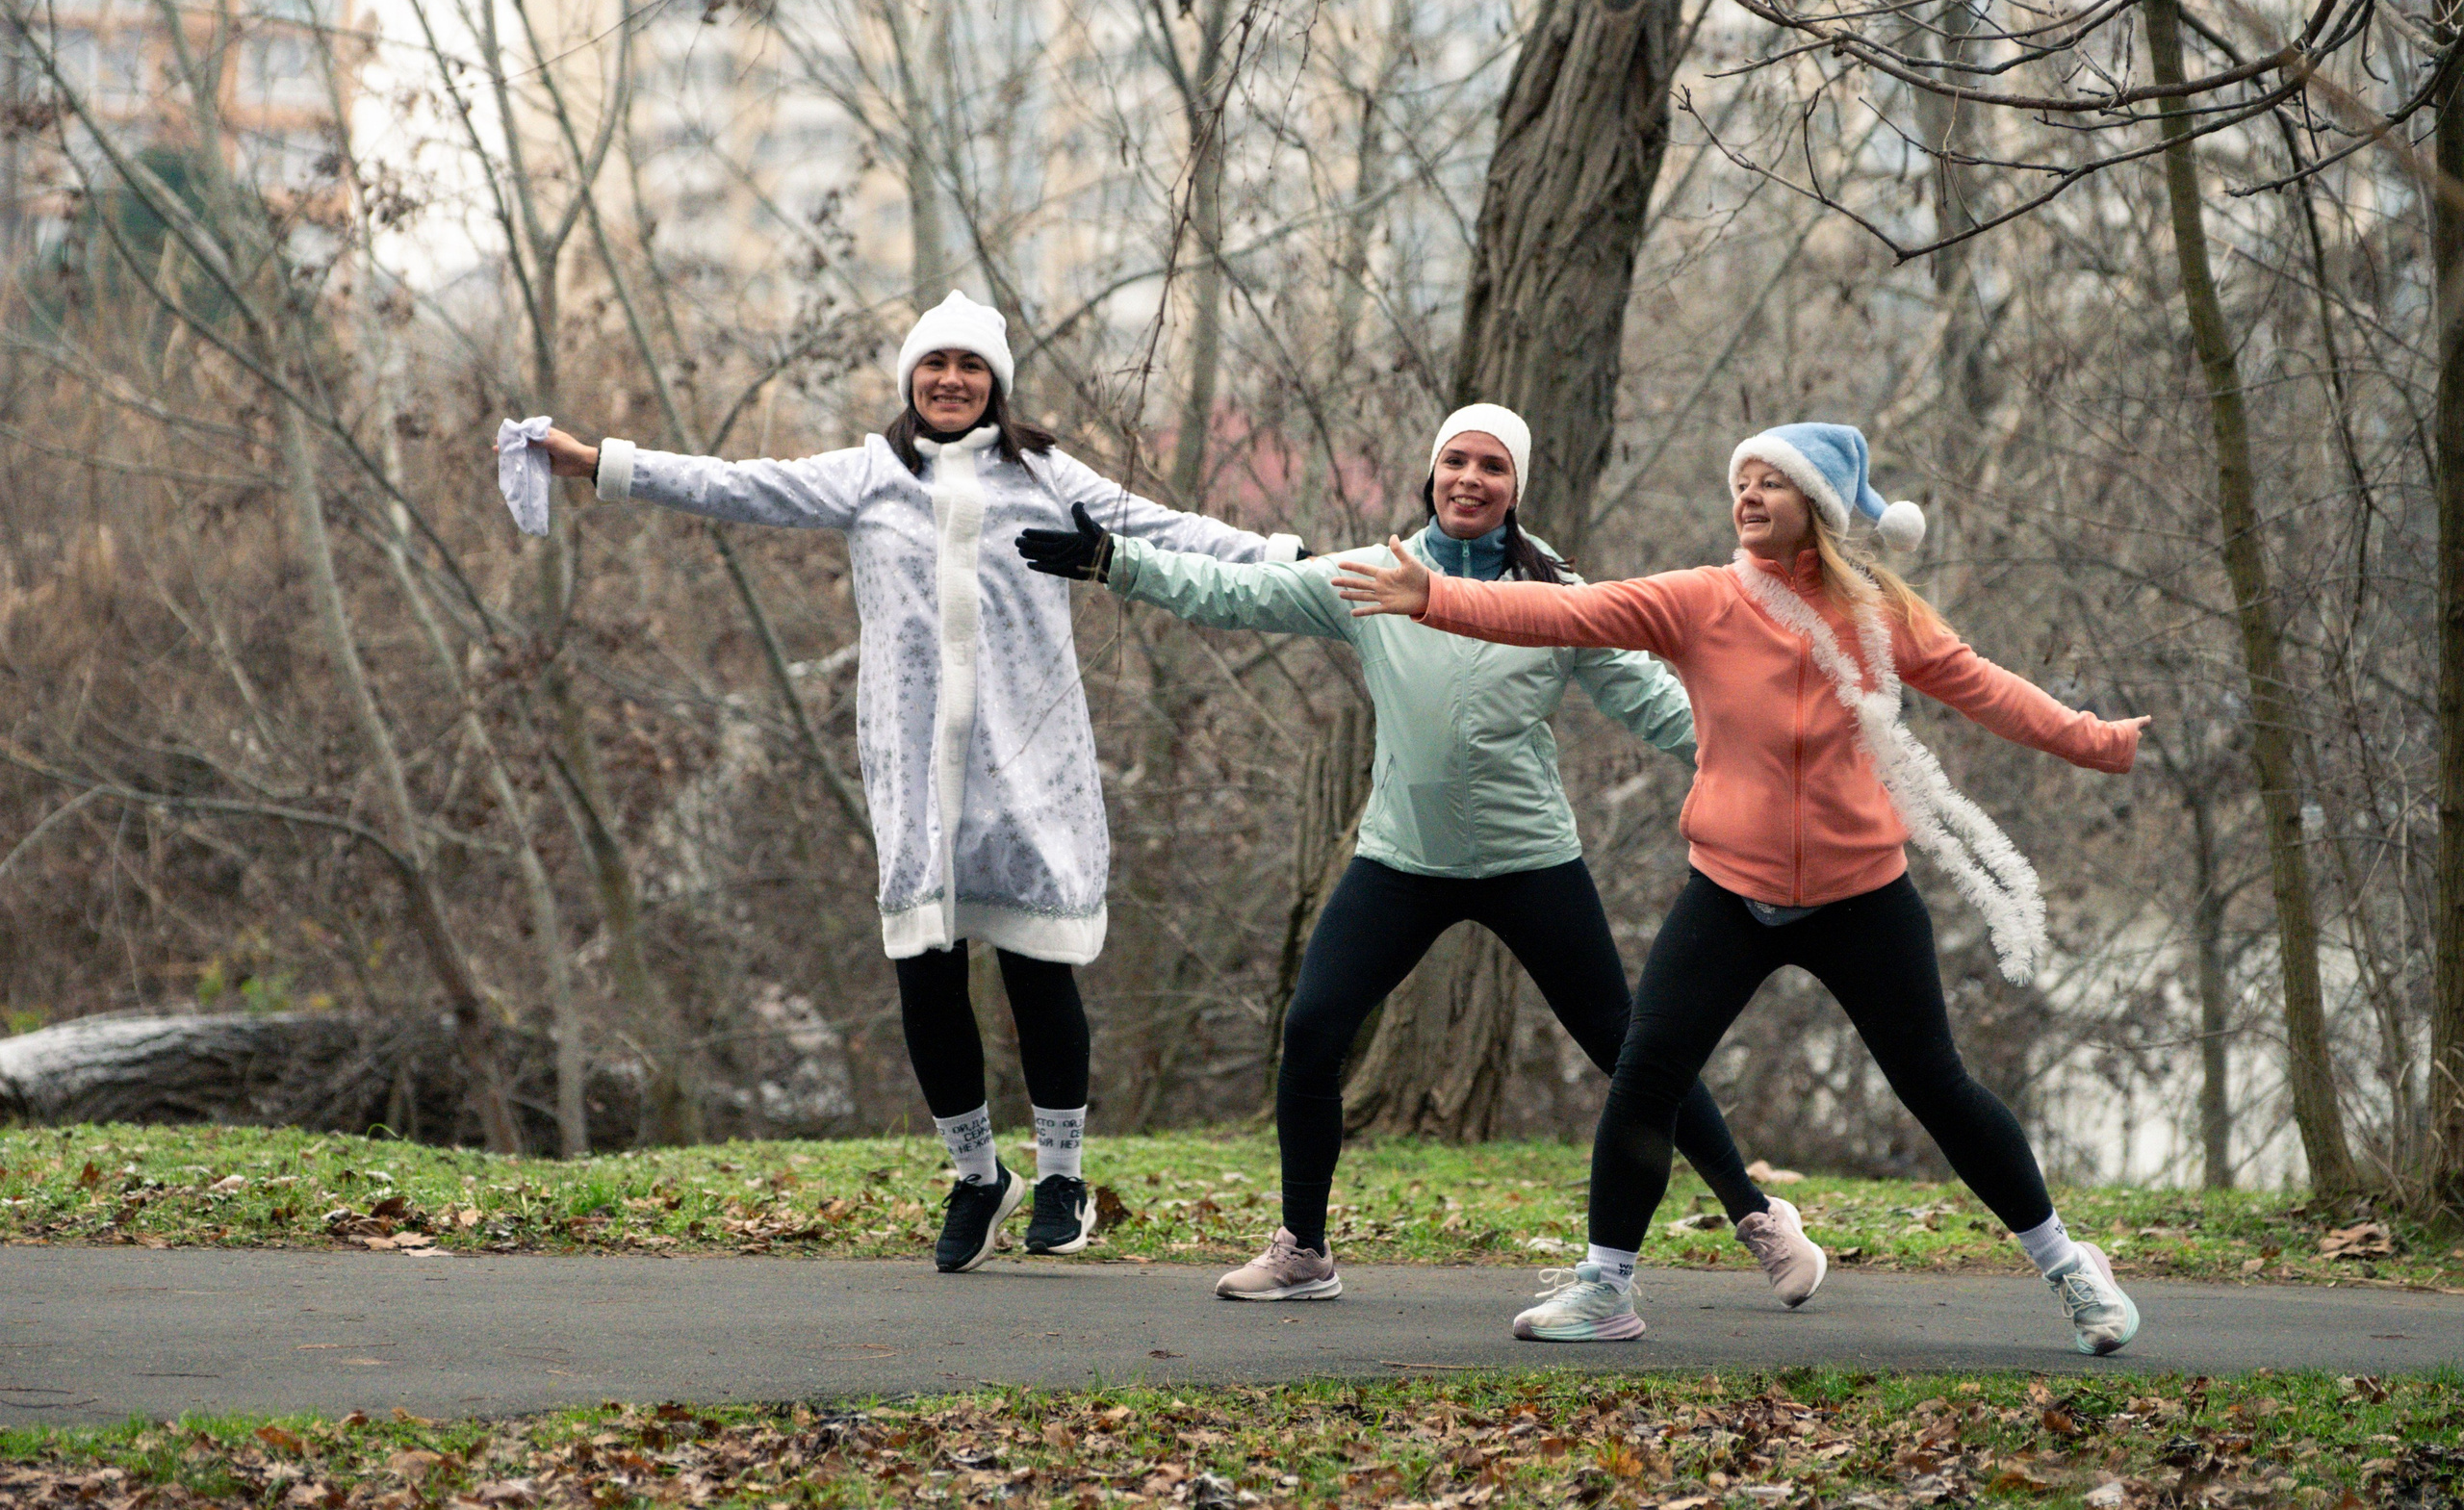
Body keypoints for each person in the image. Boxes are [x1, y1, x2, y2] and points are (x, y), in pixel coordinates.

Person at [528, 291, 1303, 1273]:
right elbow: (735, 484)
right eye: (933, 365)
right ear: (909, 380)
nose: (949, 380)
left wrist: (1295, 565)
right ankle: (978, 1178)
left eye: (969, 366)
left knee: (1037, 964)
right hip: (914, 773)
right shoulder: (867, 476)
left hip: (1029, 767)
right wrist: (603, 462)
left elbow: (1175, 533)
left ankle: (1060, 1174)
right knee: (926, 973)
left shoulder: (1045, 475)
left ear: (996, 383)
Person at [1332, 421, 2147, 1354]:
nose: (1748, 497)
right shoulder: (1701, 600)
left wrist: (2095, 739)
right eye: (1742, 482)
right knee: (1646, 1076)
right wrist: (1432, 596)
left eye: (1772, 484)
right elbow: (1565, 613)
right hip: (1730, 892)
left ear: (1818, 511)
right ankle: (1605, 1287)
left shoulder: (1881, 616)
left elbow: (1986, 688)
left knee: (1936, 1086)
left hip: (1860, 896)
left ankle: (2069, 1268)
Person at [1017, 404, 1826, 1307]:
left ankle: (1760, 1220)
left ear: (1516, 489)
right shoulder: (1373, 577)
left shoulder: (1559, 592)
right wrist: (1115, 561)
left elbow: (1658, 704)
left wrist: (1777, 761)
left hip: (1530, 862)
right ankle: (1303, 1251)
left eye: (1492, 467)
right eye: (1456, 462)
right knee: (1313, 1030)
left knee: (1635, 1053)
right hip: (1401, 860)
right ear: (1431, 475)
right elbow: (1233, 591)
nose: (1470, 479)